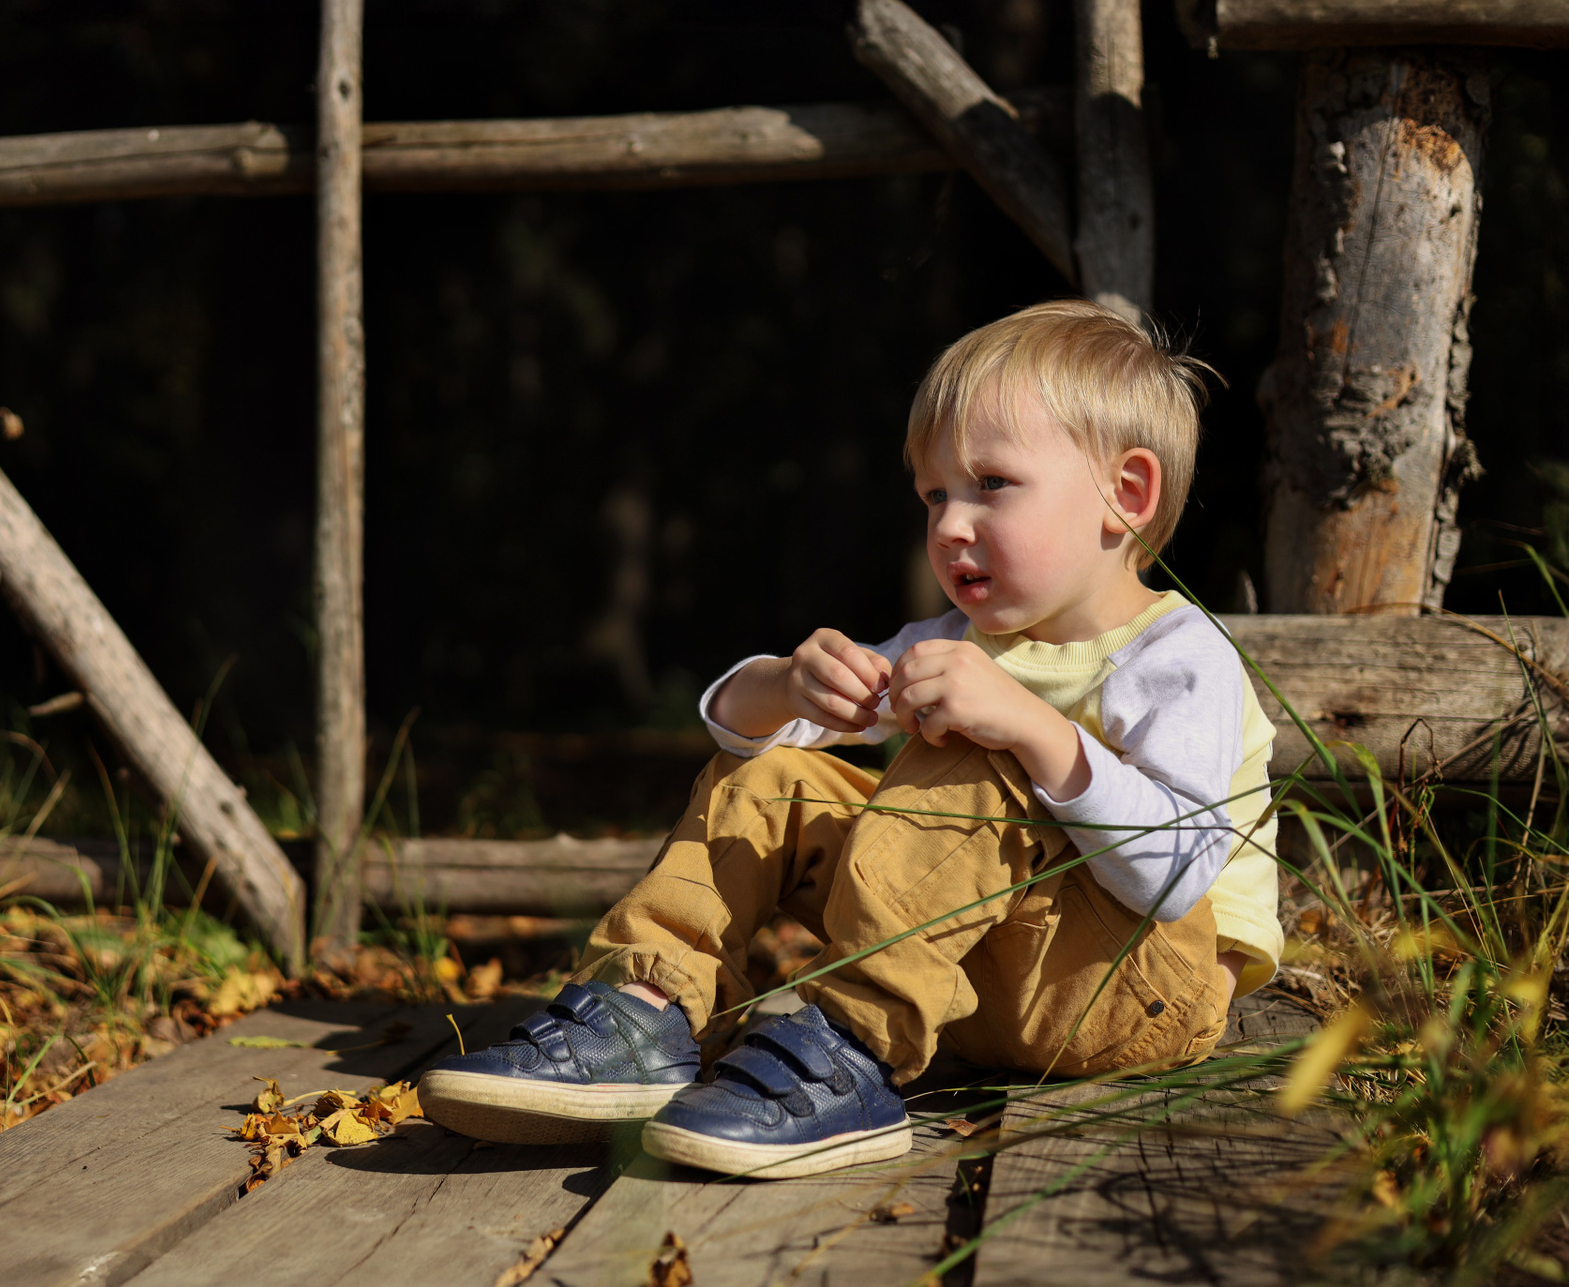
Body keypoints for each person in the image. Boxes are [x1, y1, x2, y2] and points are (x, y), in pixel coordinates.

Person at [418, 299, 1282, 1178]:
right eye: (934, 494)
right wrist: (786, 685)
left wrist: (1030, 728)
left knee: (975, 753)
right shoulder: (954, 643)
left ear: (1124, 496)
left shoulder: (1178, 657)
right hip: (968, 994)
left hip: (1132, 995)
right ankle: (647, 1011)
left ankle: (850, 1049)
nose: (949, 525)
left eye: (991, 484)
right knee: (772, 777)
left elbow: (1177, 875)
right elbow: (738, 729)